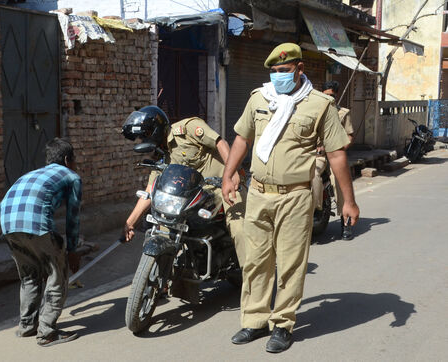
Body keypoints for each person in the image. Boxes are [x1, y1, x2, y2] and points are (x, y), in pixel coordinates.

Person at [221, 43, 360, 353]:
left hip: (295, 197)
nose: (277, 76)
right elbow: (242, 138)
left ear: (299, 70)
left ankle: (282, 324)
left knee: (290, 264)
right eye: (273, 71)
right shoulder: (259, 98)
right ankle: (255, 320)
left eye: (283, 71)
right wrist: (228, 174)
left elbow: (337, 154)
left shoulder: (319, 105)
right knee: (256, 262)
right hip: (257, 193)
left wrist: (347, 200)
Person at [121, 106, 246, 268]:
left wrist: (231, 173)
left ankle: (251, 282)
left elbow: (220, 142)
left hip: (223, 188)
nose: (143, 142)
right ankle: (167, 277)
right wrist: (130, 222)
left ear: (155, 130)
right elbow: (150, 189)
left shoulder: (188, 129)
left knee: (239, 229)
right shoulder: (161, 156)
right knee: (163, 228)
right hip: (193, 197)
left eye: (144, 136)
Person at [0, 138, 82, 347]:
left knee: (29, 276)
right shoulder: (71, 176)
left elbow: (3, 203)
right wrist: (72, 250)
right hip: (36, 225)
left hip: (8, 224)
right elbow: (73, 217)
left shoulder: (31, 174)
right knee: (56, 276)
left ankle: (27, 326)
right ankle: (47, 332)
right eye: (74, 160)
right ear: (67, 159)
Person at [312, 80, 355, 240]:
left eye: (332, 96)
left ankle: (346, 223)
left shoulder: (343, 113)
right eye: (326, 95)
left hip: (336, 154)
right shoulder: (314, 112)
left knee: (339, 183)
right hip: (318, 155)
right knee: (312, 173)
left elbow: (350, 135)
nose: (329, 98)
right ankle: (316, 210)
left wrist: (341, 147)